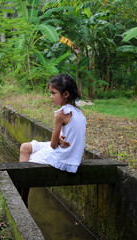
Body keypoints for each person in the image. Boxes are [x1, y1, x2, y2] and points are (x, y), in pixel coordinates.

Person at [18, 74, 86, 206]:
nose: (51, 97)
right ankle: (22, 197)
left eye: (53, 93)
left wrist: (57, 139)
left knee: (25, 158)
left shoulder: (60, 114)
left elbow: (54, 145)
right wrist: (59, 137)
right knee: (25, 147)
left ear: (65, 94)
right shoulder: (78, 112)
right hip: (73, 157)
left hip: (61, 157)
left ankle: (22, 198)